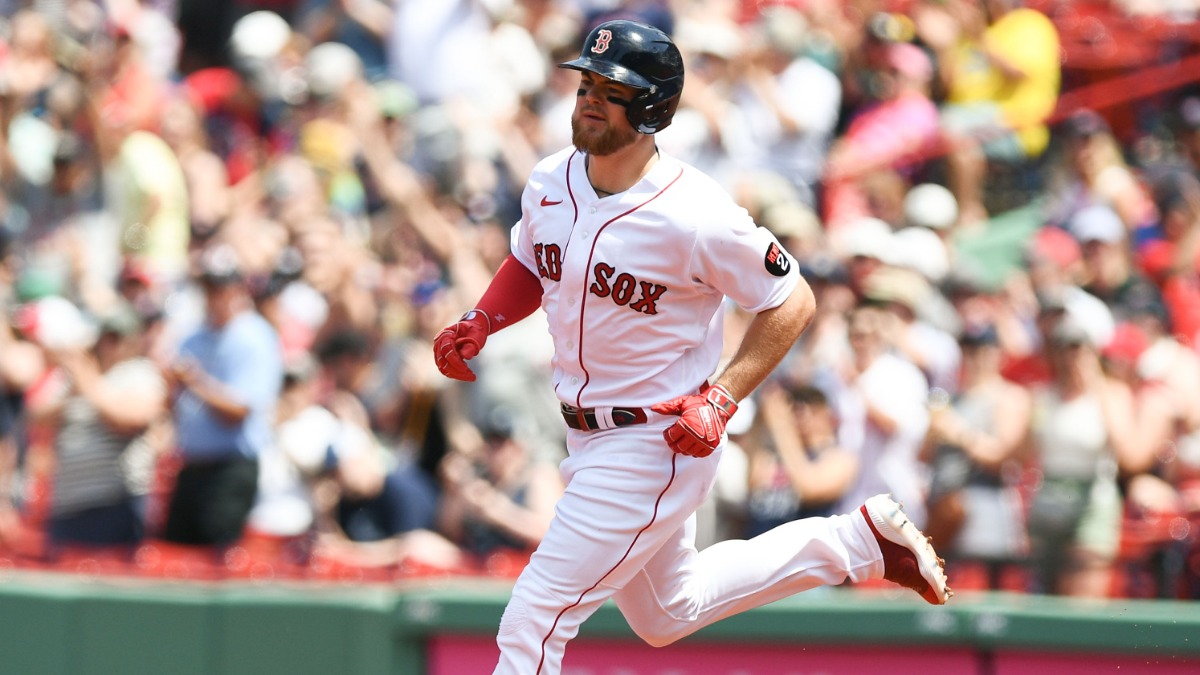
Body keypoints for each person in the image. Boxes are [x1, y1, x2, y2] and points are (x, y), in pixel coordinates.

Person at [432, 20, 950, 674]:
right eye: (586, 83)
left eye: (610, 89)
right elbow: (533, 264)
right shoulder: (549, 180)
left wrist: (724, 396)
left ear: (651, 106)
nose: (589, 98)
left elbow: (792, 299)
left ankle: (856, 542)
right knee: (665, 612)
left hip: (655, 438)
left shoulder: (695, 211)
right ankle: (856, 540)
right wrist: (482, 318)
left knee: (536, 612)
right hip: (586, 435)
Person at [163, 244, 283, 547]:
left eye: (220, 287)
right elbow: (174, 404)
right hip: (191, 466)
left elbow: (239, 413)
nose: (213, 295)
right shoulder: (192, 336)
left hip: (230, 469)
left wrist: (195, 382)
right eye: (208, 287)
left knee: (217, 564)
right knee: (175, 557)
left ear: (237, 288)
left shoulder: (255, 336)